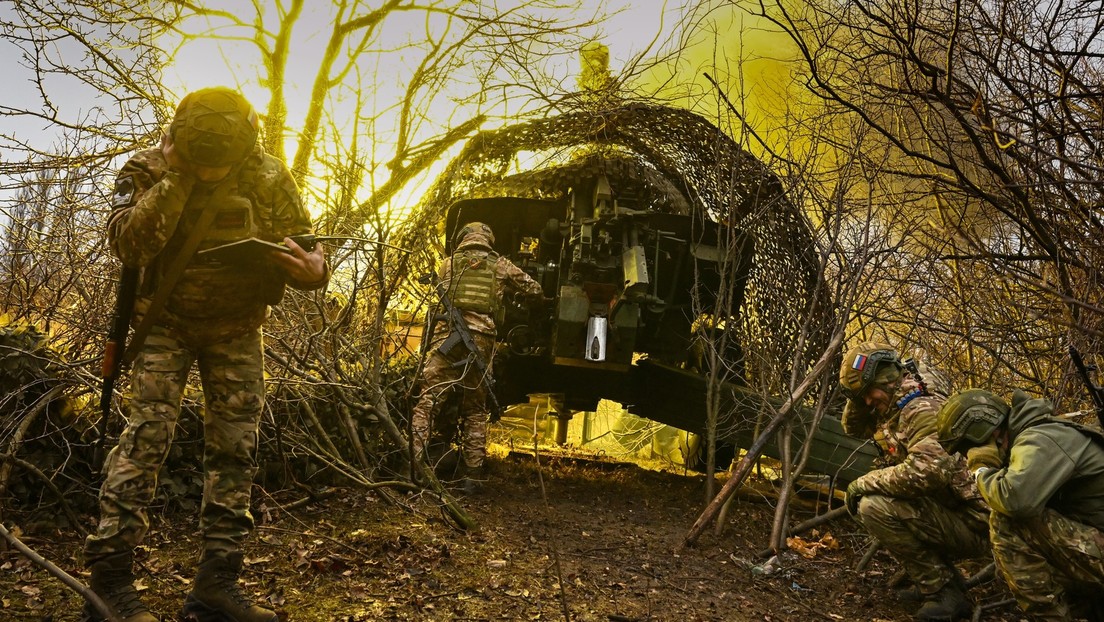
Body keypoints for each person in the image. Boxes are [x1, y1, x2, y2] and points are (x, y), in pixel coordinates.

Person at [84, 87, 328, 622]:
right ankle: (109, 587)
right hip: (162, 325)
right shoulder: (147, 169)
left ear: (244, 148)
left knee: (236, 451)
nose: (210, 171)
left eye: (219, 166)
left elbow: (306, 246)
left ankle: (215, 588)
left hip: (237, 328)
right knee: (146, 440)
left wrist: (315, 272)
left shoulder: (268, 174)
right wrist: (176, 177)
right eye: (199, 161)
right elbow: (129, 247)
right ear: (179, 143)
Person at [838, 342, 989, 621]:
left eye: (868, 394)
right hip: (954, 510)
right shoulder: (898, 397)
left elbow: (928, 471)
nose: (868, 403)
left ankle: (943, 593)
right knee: (882, 501)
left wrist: (863, 482)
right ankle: (942, 582)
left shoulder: (922, 407)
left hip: (978, 524)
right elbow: (852, 427)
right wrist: (858, 392)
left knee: (874, 507)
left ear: (886, 378)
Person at [937, 388, 1104, 620]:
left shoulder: (1039, 439)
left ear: (991, 435)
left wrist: (982, 468)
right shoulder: (1037, 434)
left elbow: (1015, 501)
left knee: (1007, 521)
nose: (968, 458)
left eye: (969, 450)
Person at [410, 221, 542, 492]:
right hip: (481, 341)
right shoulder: (500, 264)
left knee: (428, 401)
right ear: (488, 241)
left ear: (463, 239)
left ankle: (413, 468)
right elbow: (535, 290)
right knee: (475, 408)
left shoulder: (447, 264)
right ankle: (472, 475)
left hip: (445, 338)